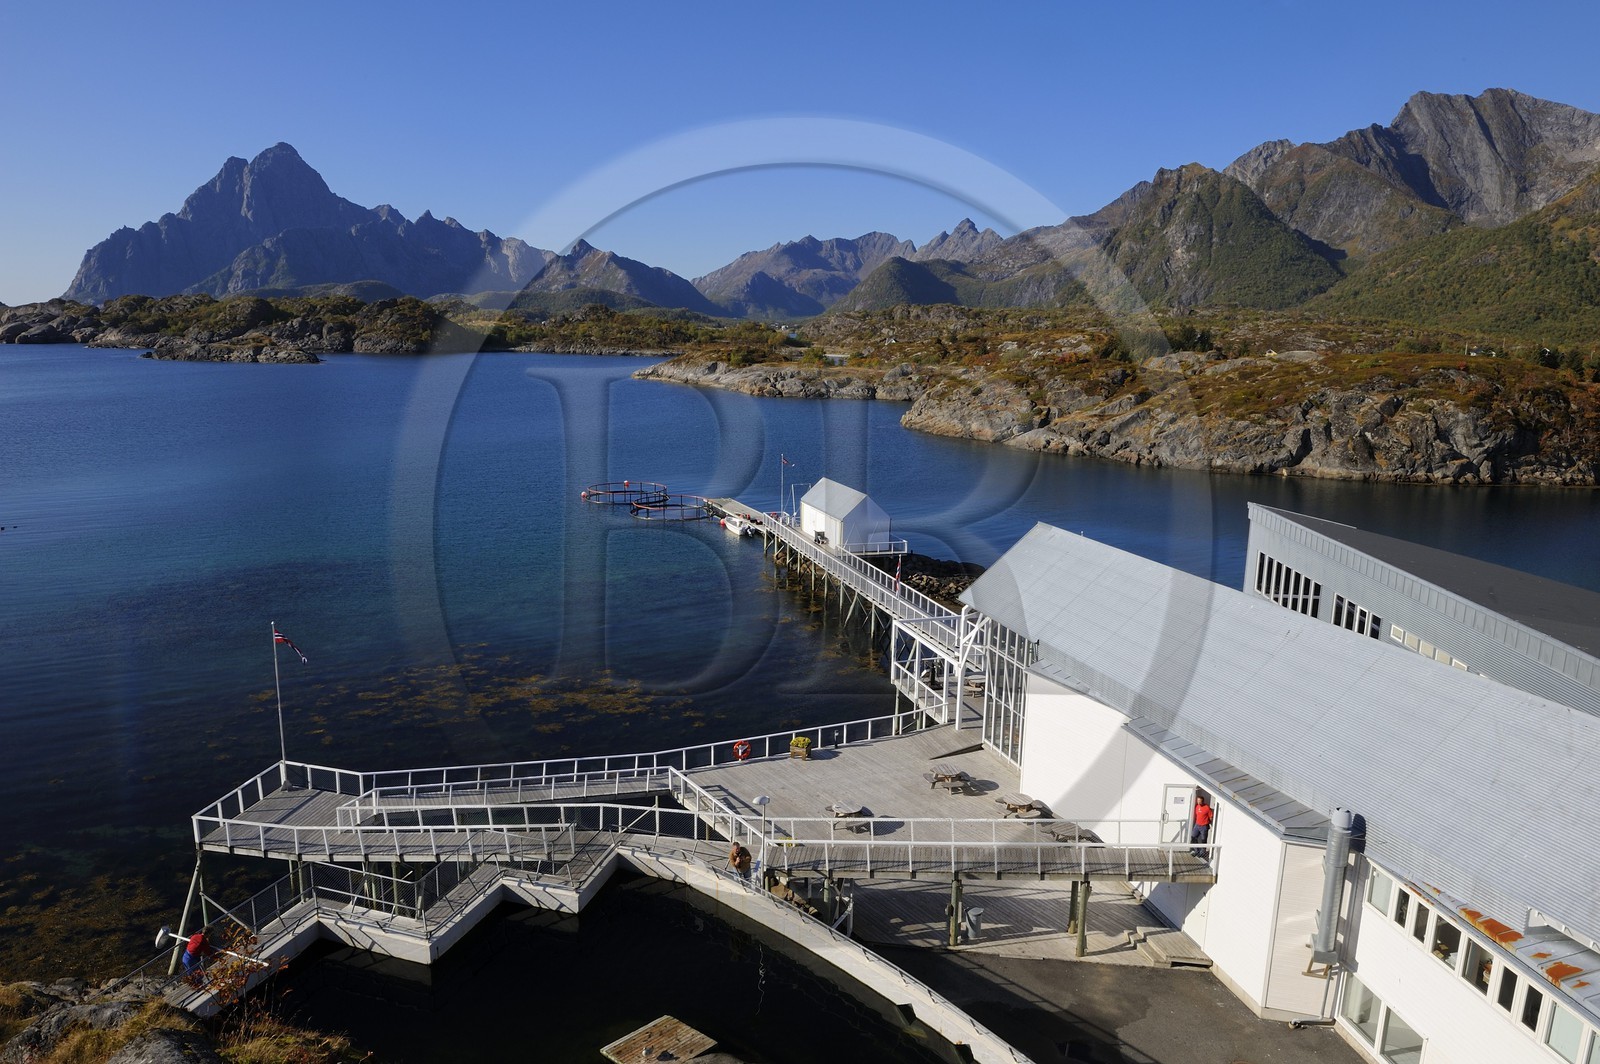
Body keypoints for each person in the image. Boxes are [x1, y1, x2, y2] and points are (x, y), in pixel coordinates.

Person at [1190, 793, 1214, 859]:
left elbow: (1211, 817)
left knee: (1204, 840)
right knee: (1193, 837)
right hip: (1197, 825)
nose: (1198, 802)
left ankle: (1202, 853)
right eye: (1197, 801)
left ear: (1203, 801)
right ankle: (1196, 851)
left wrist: (1209, 823)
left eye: (1199, 801)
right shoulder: (1197, 806)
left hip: (1204, 826)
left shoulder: (1207, 808)